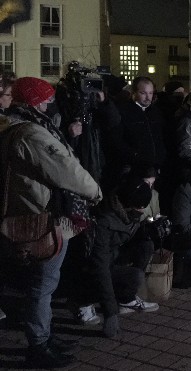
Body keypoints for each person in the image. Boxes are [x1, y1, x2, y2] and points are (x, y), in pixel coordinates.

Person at [2, 77, 102, 367]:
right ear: (34, 102)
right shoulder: (32, 133)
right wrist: (94, 192)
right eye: (45, 100)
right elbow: (64, 168)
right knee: (42, 285)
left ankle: (45, 336)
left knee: (41, 284)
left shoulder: (13, 126)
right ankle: (39, 346)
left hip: (29, 210)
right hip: (40, 218)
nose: (50, 104)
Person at [88, 177, 159, 339]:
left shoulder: (127, 213)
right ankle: (80, 300)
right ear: (128, 204)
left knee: (146, 245)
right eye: (140, 207)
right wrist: (110, 313)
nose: (142, 211)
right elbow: (100, 266)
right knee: (134, 275)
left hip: (113, 257)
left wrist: (147, 232)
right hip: (91, 267)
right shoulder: (105, 220)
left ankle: (126, 297)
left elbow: (126, 237)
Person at [108, 76, 167, 184]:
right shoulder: (124, 111)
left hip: (154, 171)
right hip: (132, 171)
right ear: (134, 93)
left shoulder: (156, 112)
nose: (148, 97)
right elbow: (117, 141)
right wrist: (134, 156)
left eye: (150, 93)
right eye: (143, 93)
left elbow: (161, 139)